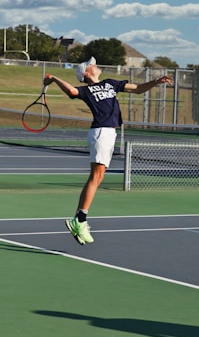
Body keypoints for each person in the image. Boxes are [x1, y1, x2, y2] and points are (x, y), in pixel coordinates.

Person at [43, 57, 173, 245]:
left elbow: (137, 89)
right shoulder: (85, 90)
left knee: (98, 176)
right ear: (86, 73)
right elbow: (71, 90)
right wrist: (54, 78)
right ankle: (79, 220)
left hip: (110, 133)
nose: (95, 65)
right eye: (91, 65)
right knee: (96, 176)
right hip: (101, 131)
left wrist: (156, 82)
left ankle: (80, 218)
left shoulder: (110, 84)